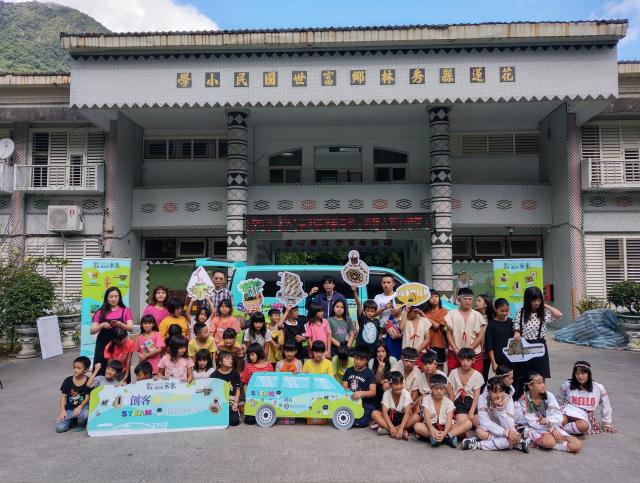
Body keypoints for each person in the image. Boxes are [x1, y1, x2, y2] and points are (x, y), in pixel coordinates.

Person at [513, 286, 562, 395]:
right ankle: (524, 398)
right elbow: (516, 326)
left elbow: (559, 315)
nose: (536, 303)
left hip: (539, 345)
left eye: (539, 300)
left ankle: (541, 397)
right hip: (524, 345)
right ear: (527, 301)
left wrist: (545, 305)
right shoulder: (521, 313)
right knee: (524, 374)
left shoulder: (543, 313)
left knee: (540, 375)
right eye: (533, 301)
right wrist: (516, 332)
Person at [517, 372, 582, 453]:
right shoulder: (524, 399)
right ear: (530, 386)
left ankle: (543, 441)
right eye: (539, 383)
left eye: (543, 382)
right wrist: (551, 430)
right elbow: (532, 421)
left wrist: (550, 424)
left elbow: (557, 415)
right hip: (532, 427)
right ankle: (531, 439)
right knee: (549, 442)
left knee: (576, 445)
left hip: (551, 425)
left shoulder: (549, 395)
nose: (543, 385)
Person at [461, 376, 530, 452]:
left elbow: (509, 425)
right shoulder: (482, 398)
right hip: (493, 429)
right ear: (488, 390)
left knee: (511, 437)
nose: (498, 395)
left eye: (501, 391)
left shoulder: (508, 399)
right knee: (480, 432)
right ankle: (514, 443)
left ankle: (477, 444)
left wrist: (501, 409)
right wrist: (506, 433)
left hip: (507, 428)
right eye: (495, 392)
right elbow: (485, 422)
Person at [557, 361, 617, 435]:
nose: (580, 376)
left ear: (589, 374)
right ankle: (559, 430)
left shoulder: (598, 388)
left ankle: (559, 430)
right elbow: (559, 399)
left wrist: (607, 423)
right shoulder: (567, 385)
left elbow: (606, 405)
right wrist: (555, 412)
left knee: (583, 426)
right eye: (577, 373)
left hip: (585, 414)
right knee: (561, 419)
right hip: (568, 409)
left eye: (583, 373)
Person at [414, 374, 471, 447]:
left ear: (445, 389)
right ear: (431, 388)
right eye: (436, 388)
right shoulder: (426, 399)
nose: (439, 391)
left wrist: (445, 433)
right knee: (417, 426)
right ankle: (446, 438)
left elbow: (449, 421)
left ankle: (441, 437)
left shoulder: (449, 402)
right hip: (431, 425)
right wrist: (432, 430)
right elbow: (426, 417)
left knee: (468, 423)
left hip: (446, 427)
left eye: (441, 389)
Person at [90, 287, 134, 376]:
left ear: (119, 297)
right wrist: (102, 325)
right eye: (111, 296)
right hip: (103, 343)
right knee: (101, 366)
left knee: (119, 366)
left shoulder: (125, 310)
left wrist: (121, 325)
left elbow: (130, 328)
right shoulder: (100, 311)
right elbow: (92, 331)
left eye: (116, 296)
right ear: (106, 298)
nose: (113, 299)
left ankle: (123, 382)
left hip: (120, 343)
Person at [445, 287, 486, 372]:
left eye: (470, 299)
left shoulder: (477, 315)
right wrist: (456, 350)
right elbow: (449, 334)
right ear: (459, 300)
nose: (467, 301)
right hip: (455, 352)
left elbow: (480, 335)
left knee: (475, 376)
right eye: (465, 299)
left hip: (474, 352)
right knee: (454, 375)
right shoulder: (451, 314)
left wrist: (470, 349)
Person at [371, 371, 420, 439]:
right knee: (374, 413)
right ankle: (394, 431)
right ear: (390, 385)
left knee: (416, 417)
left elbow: (407, 413)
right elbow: (385, 413)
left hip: (403, 420)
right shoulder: (387, 394)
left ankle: (390, 430)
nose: (399, 386)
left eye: (401, 383)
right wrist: (391, 427)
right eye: (396, 384)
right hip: (390, 419)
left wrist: (400, 428)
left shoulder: (406, 394)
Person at [55, 356, 98, 433]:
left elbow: (87, 398)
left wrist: (80, 407)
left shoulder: (88, 381)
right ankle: (73, 419)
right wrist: (62, 411)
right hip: (69, 409)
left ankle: (80, 422)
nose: (75, 370)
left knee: (84, 415)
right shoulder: (68, 380)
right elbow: (63, 396)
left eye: (78, 368)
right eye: (74, 367)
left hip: (82, 407)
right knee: (59, 428)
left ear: (86, 370)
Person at [447, 348, 484, 428]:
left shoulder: (477, 375)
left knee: (480, 424)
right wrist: (450, 408)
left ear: (473, 360)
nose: (465, 362)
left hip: (472, 402)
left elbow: (476, 396)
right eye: (462, 360)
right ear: (459, 360)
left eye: (468, 360)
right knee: (464, 424)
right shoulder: (453, 373)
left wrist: (471, 411)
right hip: (459, 401)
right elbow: (450, 393)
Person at [342, 346, 377, 428]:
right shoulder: (348, 371)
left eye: (361, 359)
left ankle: (370, 419)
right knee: (345, 419)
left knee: (359, 423)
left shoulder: (369, 373)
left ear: (367, 360)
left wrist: (362, 393)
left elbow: (373, 392)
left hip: (365, 403)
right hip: (350, 401)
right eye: (356, 358)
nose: (358, 362)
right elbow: (344, 388)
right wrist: (346, 391)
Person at [212, 350, 241, 426]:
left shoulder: (235, 373)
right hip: (219, 402)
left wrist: (235, 402)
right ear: (220, 362)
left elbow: (238, 389)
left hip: (231, 402)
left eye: (231, 359)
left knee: (234, 422)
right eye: (227, 358)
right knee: (217, 421)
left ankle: (235, 412)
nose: (231, 360)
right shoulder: (214, 375)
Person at [485, 298, 513, 374]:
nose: (504, 313)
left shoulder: (511, 322)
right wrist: (493, 362)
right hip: (499, 359)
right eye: (502, 311)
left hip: (512, 358)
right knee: (501, 379)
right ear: (495, 309)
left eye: (507, 311)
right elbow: (489, 346)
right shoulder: (491, 325)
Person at [352, 286, 381, 358]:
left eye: (372, 311)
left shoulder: (377, 321)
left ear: (375, 312)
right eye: (368, 311)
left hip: (372, 351)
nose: (370, 313)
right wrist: (354, 291)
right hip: (360, 350)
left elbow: (378, 334)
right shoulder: (362, 318)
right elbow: (359, 305)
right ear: (364, 311)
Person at [368, 342, 397, 409]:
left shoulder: (392, 360)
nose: (380, 354)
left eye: (383, 351)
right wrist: (379, 369)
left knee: (385, 385)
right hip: (376, 387)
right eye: (378, 351)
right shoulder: (371, 361)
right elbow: (374, 382)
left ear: (387, 352)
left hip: (390, 386)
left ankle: (387, 407)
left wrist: (385, 381)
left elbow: (395, 378)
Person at [424, 290, 448, 366]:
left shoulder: (443, 311)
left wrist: (423, 316)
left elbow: (436, 326)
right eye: (431, 297)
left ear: (439, 298)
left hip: (439, 344)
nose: (434, 298)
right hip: (425, 344)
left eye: (436, 296)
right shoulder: (425, 311)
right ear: (427, 299)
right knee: (427, 366)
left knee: (438, 366)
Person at [475, 294, 495, 383]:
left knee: (484, 375)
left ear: (486, 304)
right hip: (475, 350)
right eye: (476, 301)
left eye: (479, 301)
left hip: (487, 352)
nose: (476, 303)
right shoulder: (473, 316)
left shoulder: (492, 319)